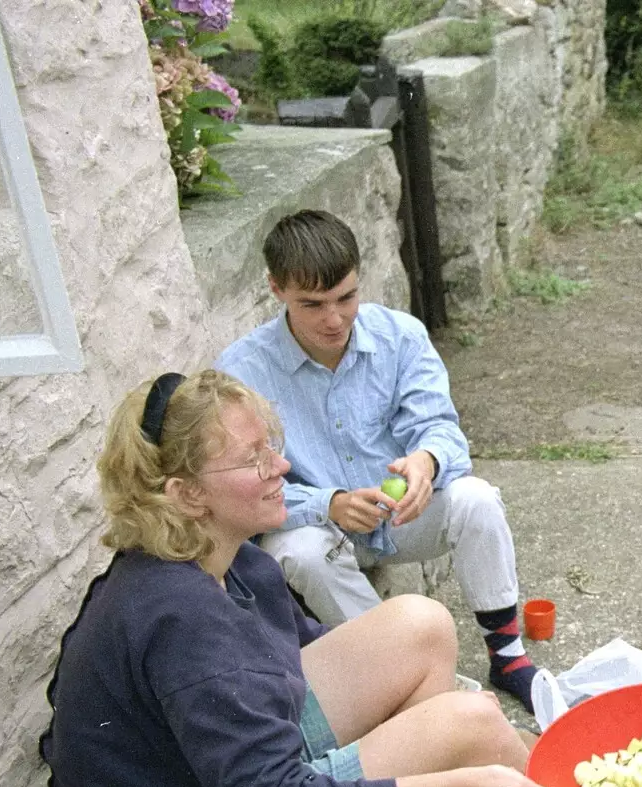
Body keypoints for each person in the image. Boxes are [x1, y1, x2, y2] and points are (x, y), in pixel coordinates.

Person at [40, 370, 642, 787]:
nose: (281, 466)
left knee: (423, 627)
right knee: (468, 721)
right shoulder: (184, 623)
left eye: (271, 445)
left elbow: (292, 669)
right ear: (188, 493)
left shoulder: (225, 557)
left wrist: (428, 734)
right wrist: (457, 778)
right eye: (253, 459)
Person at [215, 210, 539, 712]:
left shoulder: (401, 336)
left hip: (400, 513)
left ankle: (508, 656)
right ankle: (422, 677)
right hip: (319, 527)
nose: (334, 318)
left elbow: (440, 427)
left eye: (346, 297)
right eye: (313, 304)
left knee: (478, 498)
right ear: (275, 288)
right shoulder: (240, 371)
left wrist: (426, 463)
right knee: (297, 552)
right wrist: (329, 503)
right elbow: (247, 484)